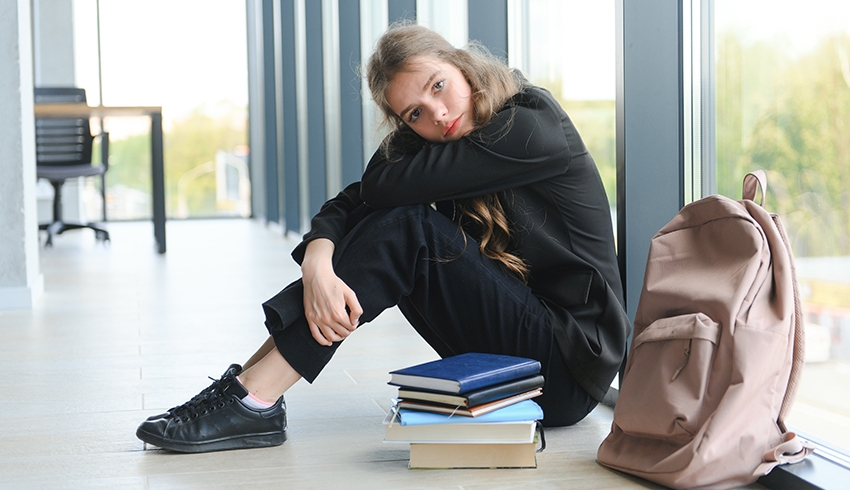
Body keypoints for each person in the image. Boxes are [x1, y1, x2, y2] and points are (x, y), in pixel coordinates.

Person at [136, 23, 630, 453]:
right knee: (399, 221)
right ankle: (248, 387)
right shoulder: (446, 147)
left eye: (439, 86)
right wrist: (318, 260)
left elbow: (378, 188)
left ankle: (254, 398)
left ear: (463, 66)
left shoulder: (533, 123)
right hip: (517, 358)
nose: (436, 113)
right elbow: (357, 200)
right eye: (413, 114)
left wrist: (389, 169)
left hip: (567, 368)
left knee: (408, 227)